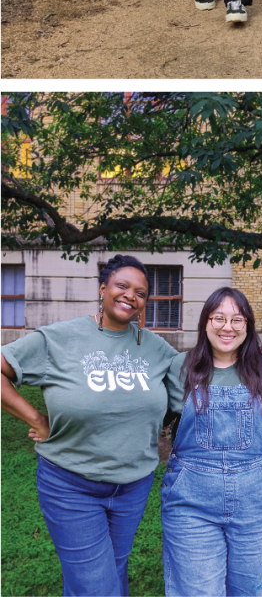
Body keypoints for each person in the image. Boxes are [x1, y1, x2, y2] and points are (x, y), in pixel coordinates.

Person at [0, 254, 178, 597]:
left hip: (133, 486)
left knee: (107, 573)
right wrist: (36, 418)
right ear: (103, 289)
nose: (131, 296)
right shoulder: (60, 339)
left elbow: (195, 381)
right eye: (122, 286)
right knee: (98, 588)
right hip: (70, 484)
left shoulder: (157, 350)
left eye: (140, 293)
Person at [162, 287, 262, 597]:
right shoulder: (179, 368)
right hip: (191, 501)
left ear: (248, 325)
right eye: (218, 317)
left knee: (247, 590)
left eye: (237, 319)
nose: (227, 326)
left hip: (256, 500)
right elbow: (148, 416)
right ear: (205, 323)